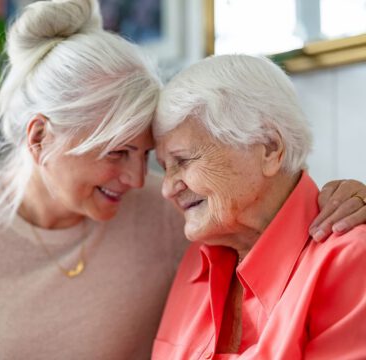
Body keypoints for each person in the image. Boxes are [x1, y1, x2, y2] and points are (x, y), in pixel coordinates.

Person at [0, 1, 366, 359]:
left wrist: (350, 197)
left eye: (150, 156)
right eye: (118, 153)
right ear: (40, 137)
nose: (139, 179)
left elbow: (273, 211)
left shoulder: (173, 216)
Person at [152, 54, 366, 360]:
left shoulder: (350, 260)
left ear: (268, 148)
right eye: (164, 167)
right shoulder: (196, 261)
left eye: (183, 161)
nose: (167, 187)